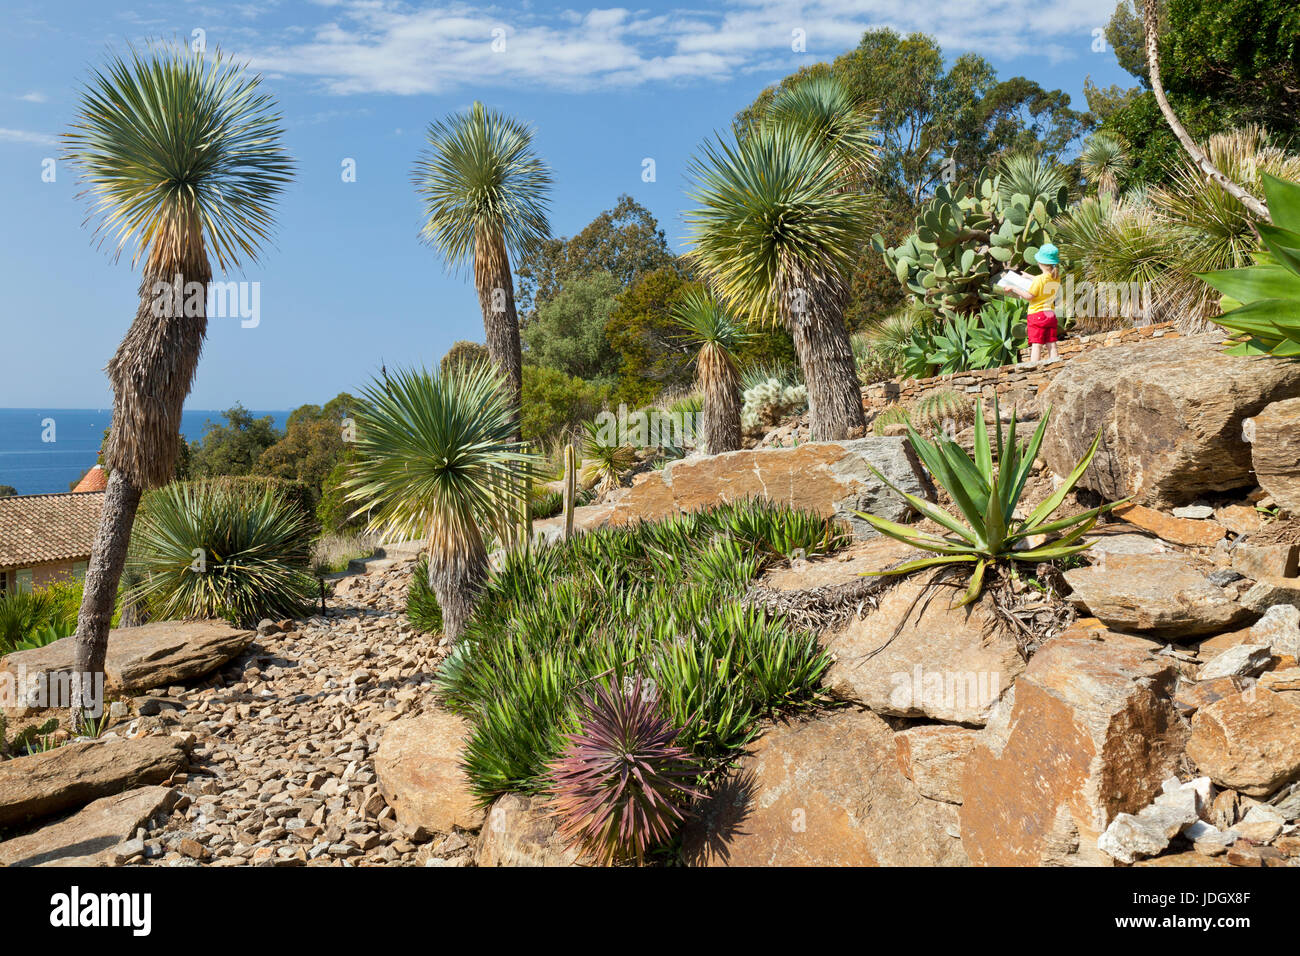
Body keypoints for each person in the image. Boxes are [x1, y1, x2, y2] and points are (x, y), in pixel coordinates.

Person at [1001, 244, 1061, 362]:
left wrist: (1013, 287)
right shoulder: (1055, 277)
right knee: (1052, 344)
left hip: (1037, 315)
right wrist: (1029, 277)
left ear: (1039, 263)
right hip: (1050, 314)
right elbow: (1042, 280)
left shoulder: (1039, 280)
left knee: (1037, 344)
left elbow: (1029, 296)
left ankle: (1034, 367)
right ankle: (1055, 364)